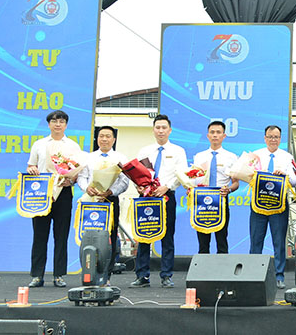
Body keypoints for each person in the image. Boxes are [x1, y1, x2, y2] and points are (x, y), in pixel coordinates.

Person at [26, 110, 81, 288]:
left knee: (61, 235)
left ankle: (59, 275)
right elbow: (31, 165)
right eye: (54, 121)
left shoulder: (73, 146)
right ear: (49, 124)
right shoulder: (39, 144)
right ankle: (37, 275)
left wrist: (71, 179)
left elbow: (78, 170)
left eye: (61, 121)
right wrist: (32, 169)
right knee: (39, 235)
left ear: (66, 125)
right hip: (42, 193)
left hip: (63, 192)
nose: (58, 124)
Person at [131, 114, 186, 288]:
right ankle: (142, 275)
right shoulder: (144, 151)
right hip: (146, 198)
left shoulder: (178, 151)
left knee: (167, 236)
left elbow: (182, 174)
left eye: (164, 128)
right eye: (158, 127)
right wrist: (140, 187)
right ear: (153, 130)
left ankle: (166, 275)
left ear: (170, 130)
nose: (161, 130)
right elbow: (137, 174)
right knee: (144, 236)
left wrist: (166, 187)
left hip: (167, 196)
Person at [249, 125, 296, 289]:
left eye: (276, 137)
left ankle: (279, 275)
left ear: (280, 138)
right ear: (265, 138)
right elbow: (244, 175)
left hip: (279, 205)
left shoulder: (287, 157)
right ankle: (253, 275)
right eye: (270, 136)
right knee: (256, 240)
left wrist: (285, 175)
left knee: (278, 241)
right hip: (258, 204)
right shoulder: (255, 155)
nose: (273, 140)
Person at [78, 126, 131, 284]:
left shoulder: (120, 158)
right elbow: (82, 177)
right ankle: (89, 272)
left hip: (110, 200)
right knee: (89, 235)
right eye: (101, 136)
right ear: (97, 139)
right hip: (91, 200)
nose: (104, 139)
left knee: (110, 237)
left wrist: (110, 191)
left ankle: (106, 275)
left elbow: (124, 181)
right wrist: (87, 188)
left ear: (114, 139)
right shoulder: (88, 157)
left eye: (108, 136)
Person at [191, 120, 239, 255]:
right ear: (208, 135)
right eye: (212, 132)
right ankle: (202, 268)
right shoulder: (199, 156)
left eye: (218, 132)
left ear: (224, 136)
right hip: (202, 201)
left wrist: (229, 189)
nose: (215, 135)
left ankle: (222, 267)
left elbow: (236, 183)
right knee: (203, 242)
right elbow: (193, 179)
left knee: (222, 240)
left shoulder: (231, 157)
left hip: (221, 200)